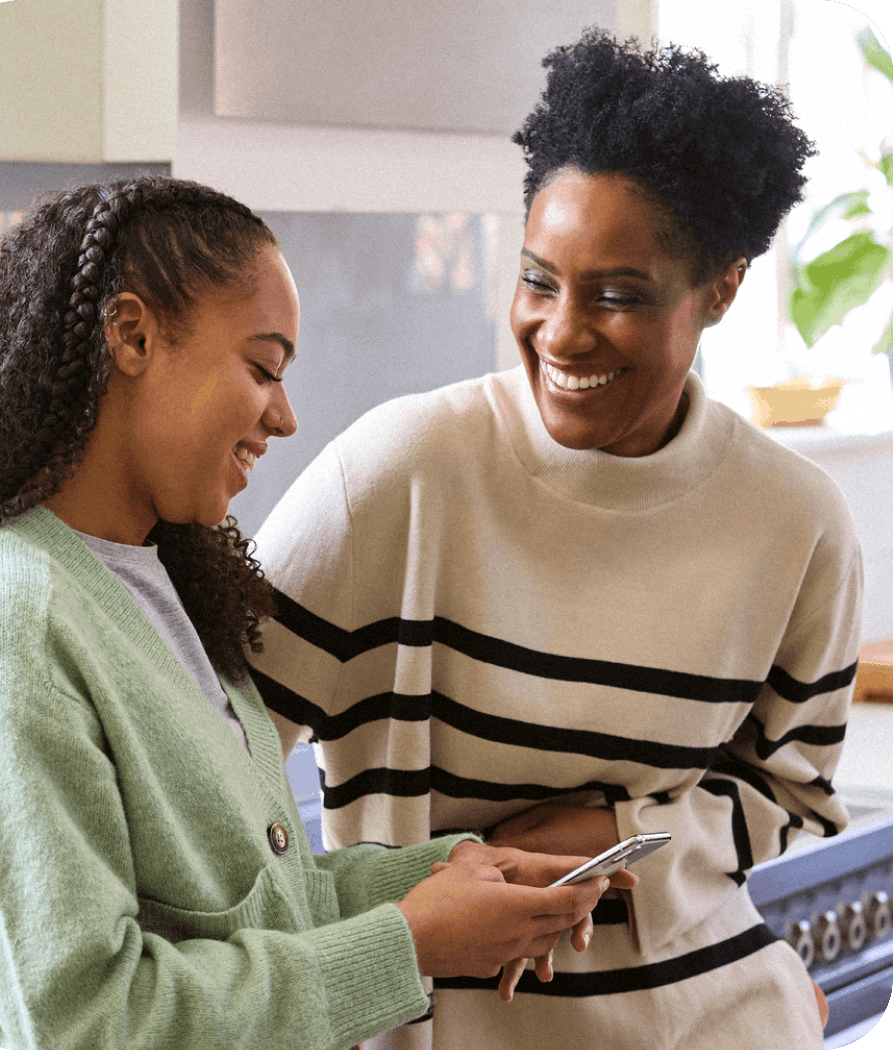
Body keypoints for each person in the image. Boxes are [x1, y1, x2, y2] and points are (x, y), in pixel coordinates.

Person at [249, 30, 861, 1050]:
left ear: (721, 288)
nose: (561, 332)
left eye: (617, 296)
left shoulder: (797, 523)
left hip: (712, 1019)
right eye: (539, 281)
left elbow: (791, 790)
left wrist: (620, 840)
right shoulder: (396, 478)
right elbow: (200, 765)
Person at [0, 175, 635, 1050]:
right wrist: (411, 941)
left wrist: (452, 876)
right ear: (131, 335)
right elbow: (82, 1018)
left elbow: (254, 904)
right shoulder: (13, 613)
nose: (285, 414)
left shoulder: (160, 584)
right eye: (262, 367)